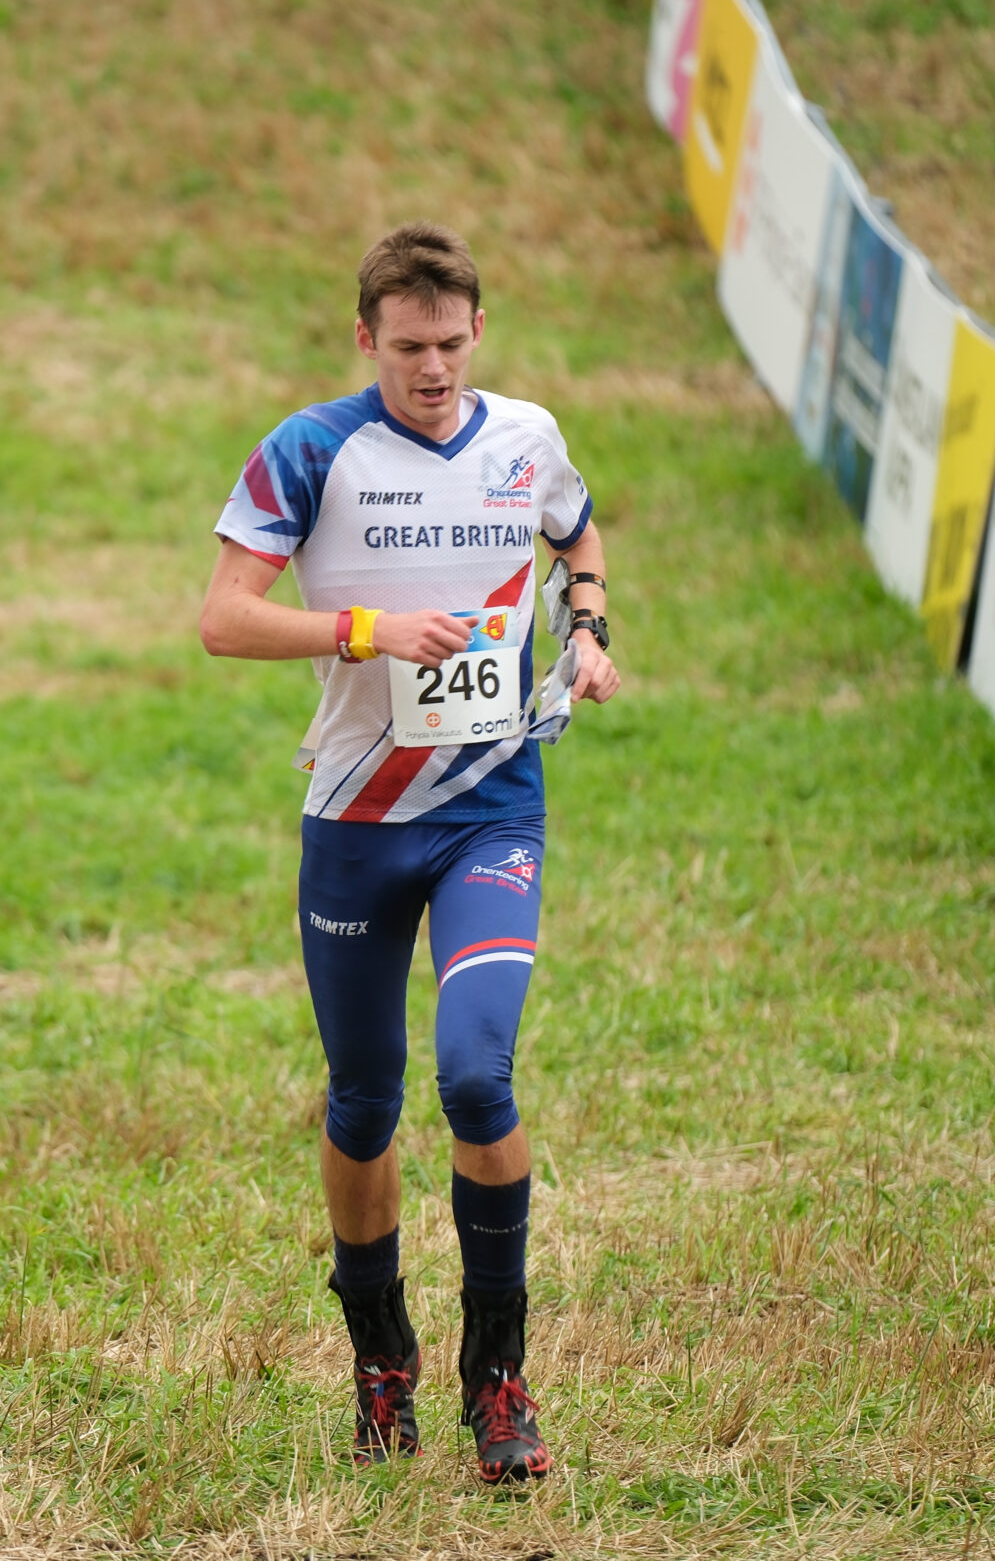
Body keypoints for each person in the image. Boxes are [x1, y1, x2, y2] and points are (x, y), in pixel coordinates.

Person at [198, 222, 620, 1480]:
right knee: (366, 1100)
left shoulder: (524, 436)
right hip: (356, 821)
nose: (430, 368)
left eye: (449, 344)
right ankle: (380, 1358)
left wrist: (587, 629)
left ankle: (499, 1379)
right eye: (406, 347)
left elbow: (576, 534)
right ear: (365, 338)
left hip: (492, 808)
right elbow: (223, 620)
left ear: (476, 333)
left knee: (475, 1075)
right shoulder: (311, 449)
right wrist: (367, 630)